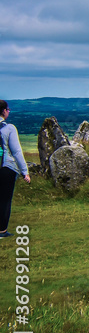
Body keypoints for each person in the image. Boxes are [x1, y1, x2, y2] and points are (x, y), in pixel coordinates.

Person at [0, 100, 31, 238]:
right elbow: (17, 152)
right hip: (6, 167)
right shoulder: (9, 128)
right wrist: (25, 172)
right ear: (4, 111)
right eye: (8, 109)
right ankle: (2, 231)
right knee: (5, 200)